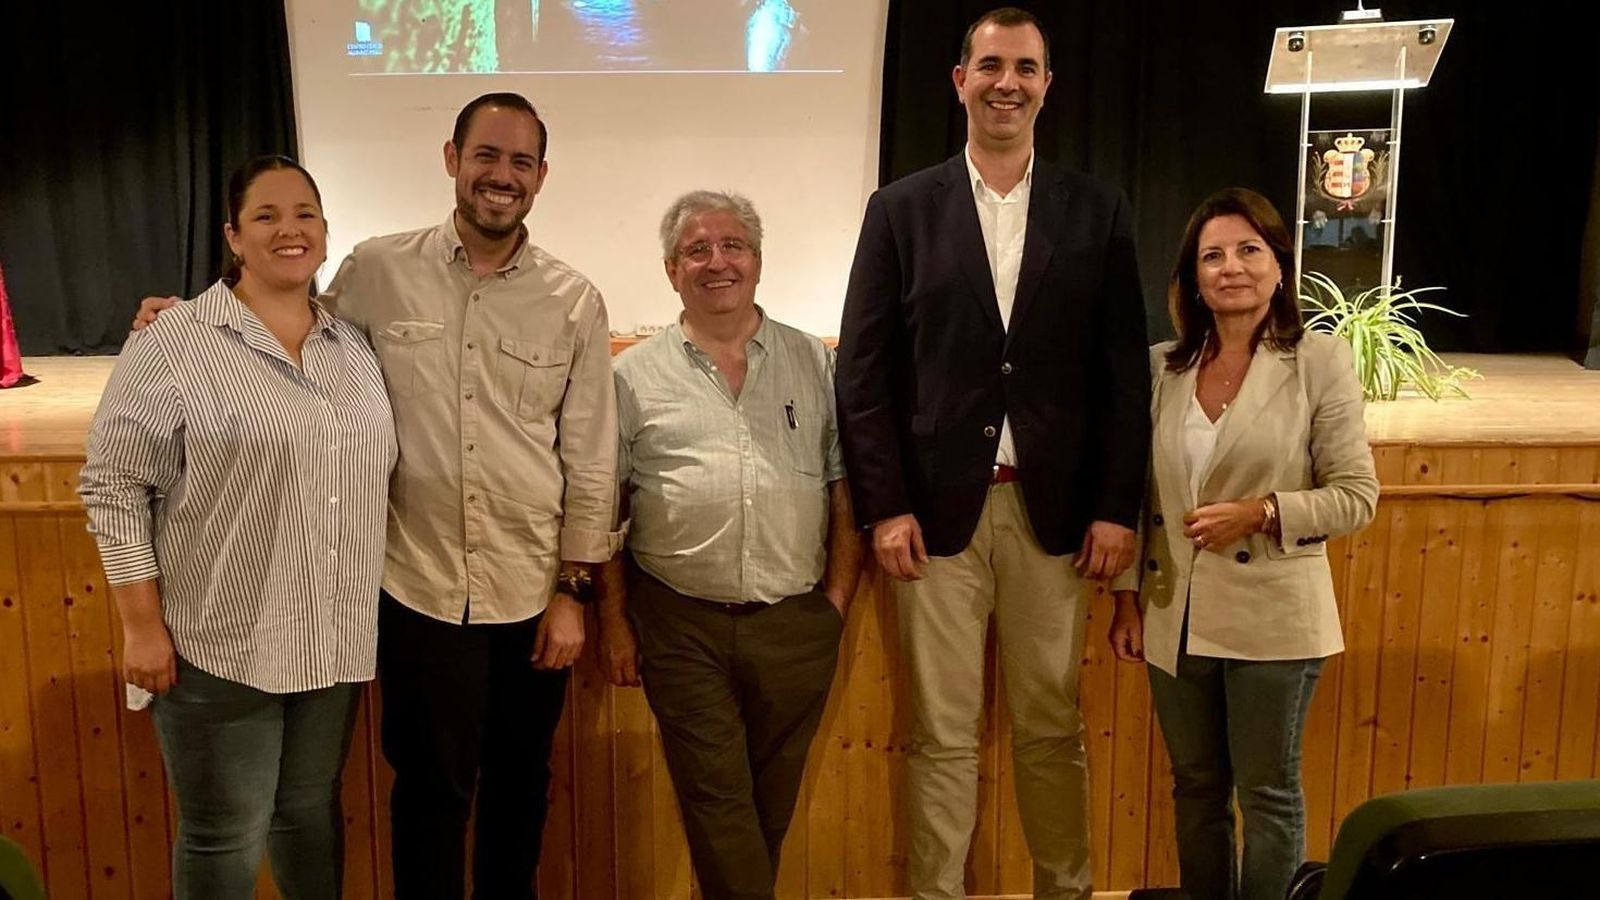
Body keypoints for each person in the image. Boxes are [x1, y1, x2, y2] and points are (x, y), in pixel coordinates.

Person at [133, 92, 620, 900]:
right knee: (430, 789)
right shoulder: (377, 268)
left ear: (540, 176)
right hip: (418, 589)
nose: (502, 176)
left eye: (520, 162)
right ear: (452, 160)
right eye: (486, 157)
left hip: (530, 594)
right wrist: (190, 318)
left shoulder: (574, 300)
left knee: (519, 784)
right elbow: (288, 327)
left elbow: (592, 458)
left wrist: (574, 591)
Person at [834, 7, 1150, 898]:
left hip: (1055, 520)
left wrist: (1113, 508)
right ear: (959, 80)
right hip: (934, 522)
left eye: (1026, 67)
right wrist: (884, 505)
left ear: (1048, 84)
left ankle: (1067, 888)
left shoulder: (1099, 209)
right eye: (990, 65)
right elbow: (862, 372)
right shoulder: (899, 209)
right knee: (940, 733)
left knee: (1052, 726)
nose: (1007, 81)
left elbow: (1125, 373)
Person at [82, 155, 398, 899]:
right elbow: (114, 483)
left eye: (305, 215)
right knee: (225, 833)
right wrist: (141, 626)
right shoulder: (175, 341)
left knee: (309, 817)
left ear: (325, 231)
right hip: (220, 641)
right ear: (233, 236)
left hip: (333, 638)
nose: (289, 230)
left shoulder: (355, 348)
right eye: (266, 216)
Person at [1107, 187, 1379, 900]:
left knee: (1267, 794)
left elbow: (1356, 496)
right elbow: (1137, 497)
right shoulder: (1162, 367)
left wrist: (1261, 511)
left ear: (1279, 266)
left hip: (1274, 617)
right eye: (1213, 255)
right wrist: (1127, 599)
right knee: (1194, 790)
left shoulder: (1318, 360)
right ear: (1192, 278)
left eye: (1249, 250)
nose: (1232, 267)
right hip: (1175, 613)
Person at [595, 190, 861, 900]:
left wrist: (834, 603)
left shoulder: (815, 363)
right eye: (697, 250)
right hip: (681, 624)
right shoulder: (630, 376)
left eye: (733, 245)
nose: (718, 261)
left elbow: (844, 488)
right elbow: (610, 506)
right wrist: (616, 621)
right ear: (670, 269)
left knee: (765, 807)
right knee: (717, 801)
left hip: (797, 622)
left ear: (759, 261)